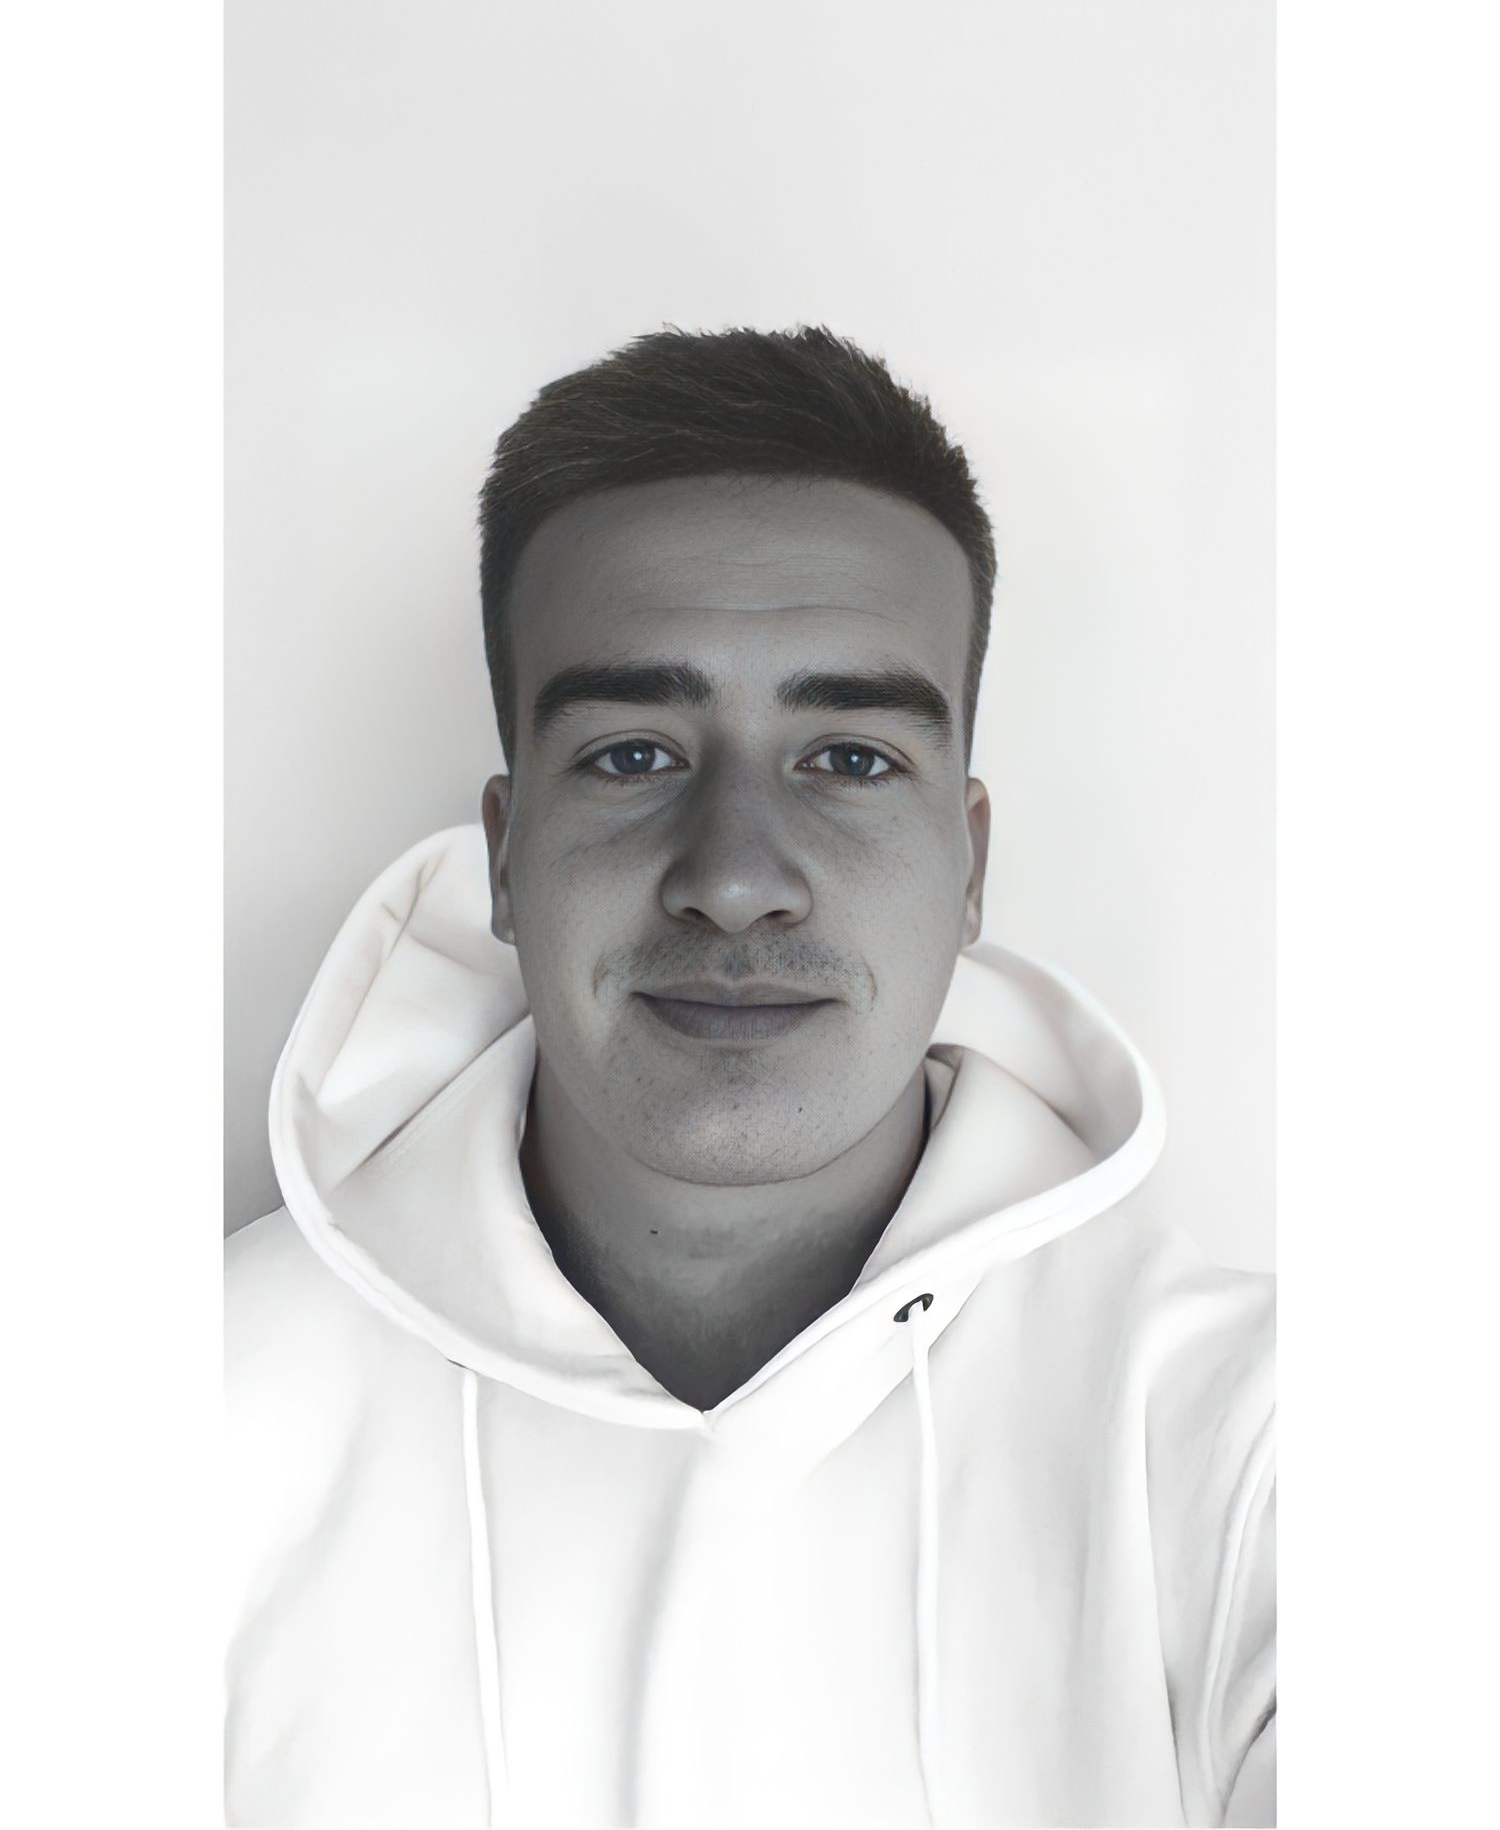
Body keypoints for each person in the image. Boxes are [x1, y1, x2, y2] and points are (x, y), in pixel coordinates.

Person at [225, 326, 1275, 1828]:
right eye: (632, 755)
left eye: (849, 758)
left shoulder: (1255, 1442)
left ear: (970, 865)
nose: (732, 880)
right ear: (506, 858)